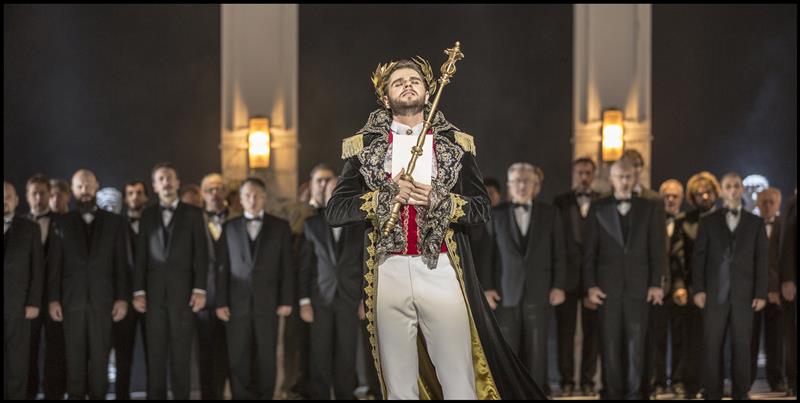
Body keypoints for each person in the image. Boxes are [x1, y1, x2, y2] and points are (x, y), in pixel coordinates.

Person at [326, 57, 545, 399]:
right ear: (385, 98)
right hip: (387, 269)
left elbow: (481, 208)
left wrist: (438, 200)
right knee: (399, 382)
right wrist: (384, 196)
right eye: (398, 82)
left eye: (414, 80)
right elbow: (336, 210)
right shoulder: (363, 146)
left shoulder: (456, 143)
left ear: (428, 93)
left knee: (457, 374)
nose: (407, 85)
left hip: (441, 267)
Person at [583, 159, 665, 400]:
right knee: (609, 345)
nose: (625, 181)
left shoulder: (649, 207)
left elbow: (657, 250)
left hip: (640, 289)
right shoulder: (597, 208)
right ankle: (612, 394)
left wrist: (656, 283)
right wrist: (590, 285)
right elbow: (589, 252)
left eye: (629, 176)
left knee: (637, 346)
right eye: (620, 176)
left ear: (635, 178)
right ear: (611, 179)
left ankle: (636, 394)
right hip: (606, 289)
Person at [482, 163, 565, 396]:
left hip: (540, 292)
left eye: (526, 180)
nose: (521, 185)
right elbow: (487, 255)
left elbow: (559, 253)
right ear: (509, 185)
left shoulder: (550, 213)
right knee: (507, 349)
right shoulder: (495, 214)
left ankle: (535, 394)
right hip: (505, 294)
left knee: (538, 350)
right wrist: (487, 288)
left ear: (535, 185)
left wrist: (559, 286)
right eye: (516, 181)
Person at [47, 169, 129, 399]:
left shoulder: (115, 222)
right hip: (71, 302)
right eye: (80, 186)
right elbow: (55, 265)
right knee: (74, 360)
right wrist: (53, 299)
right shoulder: (61, 223)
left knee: (101, 361)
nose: (85, 190)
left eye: (88, 185)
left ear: (97, 186)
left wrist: (122, 298)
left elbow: (121, 264)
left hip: (104, 303)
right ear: (73, 190)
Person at [132, 162, 208, 400]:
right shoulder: (147, 215)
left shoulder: (194, 214)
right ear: (155, 186)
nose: (166, 182)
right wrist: (138, 291)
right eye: (161, 179)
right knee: (155, 359)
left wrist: (200, 289)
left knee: (181, 358)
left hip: (184, 296)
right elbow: (141, 255)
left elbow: (201, 254)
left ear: (177, 182)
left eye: (169, 178)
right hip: (153, 298)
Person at [215, 177, 294, 399]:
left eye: (257, 195)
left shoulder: (280, 227)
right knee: (238, 357)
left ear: (264, 198)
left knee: (266, 357)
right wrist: (221, 302)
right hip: (236, 305)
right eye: (247, 195)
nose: (252, 200)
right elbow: (222, 268)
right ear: (240, 199)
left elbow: (287, 266)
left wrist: (286, 299)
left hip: (269, 304)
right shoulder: (229, 228)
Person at [692, 172, 768, 400]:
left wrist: (760, 292)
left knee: (742, 346)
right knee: (712, 345)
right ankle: (712, 392)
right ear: (722, 191)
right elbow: (699, 258)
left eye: (736, 186)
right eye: (728, 186)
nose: (733, 190)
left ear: (741, 189)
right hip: (714, 294)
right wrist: (699, 289)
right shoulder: (708, 221)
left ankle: (741, 392)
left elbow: (762, 260)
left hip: (745, 294)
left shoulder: (755, 223)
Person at [299, 176, 366, 399]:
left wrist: (364, 300)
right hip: (319, 300)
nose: (335, 195)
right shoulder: (311, 224)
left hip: (350, 299)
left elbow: (366, 265)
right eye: (331, 192)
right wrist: (304, 301)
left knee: (347, 354)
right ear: (325, 196)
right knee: (319, 354)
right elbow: (305, 267)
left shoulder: (361, 225)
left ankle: (345, 395)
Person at [552, 157, 602, 397]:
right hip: (567, 278)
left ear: (594, 175)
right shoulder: (560, 201)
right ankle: (567, 381)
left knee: (593, 333)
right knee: (565, 332)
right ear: (574, 174)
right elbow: (556, 241)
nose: (584, 177)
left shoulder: (603, 200)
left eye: (588, 173)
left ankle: (588, 381)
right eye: (580, 172)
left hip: (594, 279)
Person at [24, 174, 67, 400]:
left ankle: (54, 395)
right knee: (27, 351)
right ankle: (28, 394)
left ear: (50, 195)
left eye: (43, 193)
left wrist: (56, 297)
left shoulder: (64, 222)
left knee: (56, 352)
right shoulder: (18, 224)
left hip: (55, 299)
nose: (39, 198)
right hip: (27, 300)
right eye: (35, 193)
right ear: (27, 196)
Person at [4, 180, 45, 400]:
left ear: (17, 200)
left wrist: (34, 302)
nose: (4, 201)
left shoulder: (30, 228)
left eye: (8, 197)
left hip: (19, 307)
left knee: (17, 363)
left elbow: (37, 269)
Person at [111, 180, 150, 400]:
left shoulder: (155, 223)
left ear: (146, 197)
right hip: (124, 301)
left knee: (154, 358)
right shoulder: (116, 225)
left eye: (139, 193)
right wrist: (125, 296)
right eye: (131, 193)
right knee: (122, 357)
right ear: (125, 198)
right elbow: (115, 265)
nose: (135, 196)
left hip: (151, 301)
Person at [195, 173, 230, 400]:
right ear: (202, 193)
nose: (214, 193)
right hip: (203, 300)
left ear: (225, 192)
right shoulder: (193, 221)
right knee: (205, 355)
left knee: (228, 356)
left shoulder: (237, 218)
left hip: (231, 299)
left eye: (219, 188)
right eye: (209, 189)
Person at [778, 192, 796, 397]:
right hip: (794, 281)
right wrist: (788, 278)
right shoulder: (793, 205)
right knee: (792, 334)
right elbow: (786, 242)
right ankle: (793, 380)